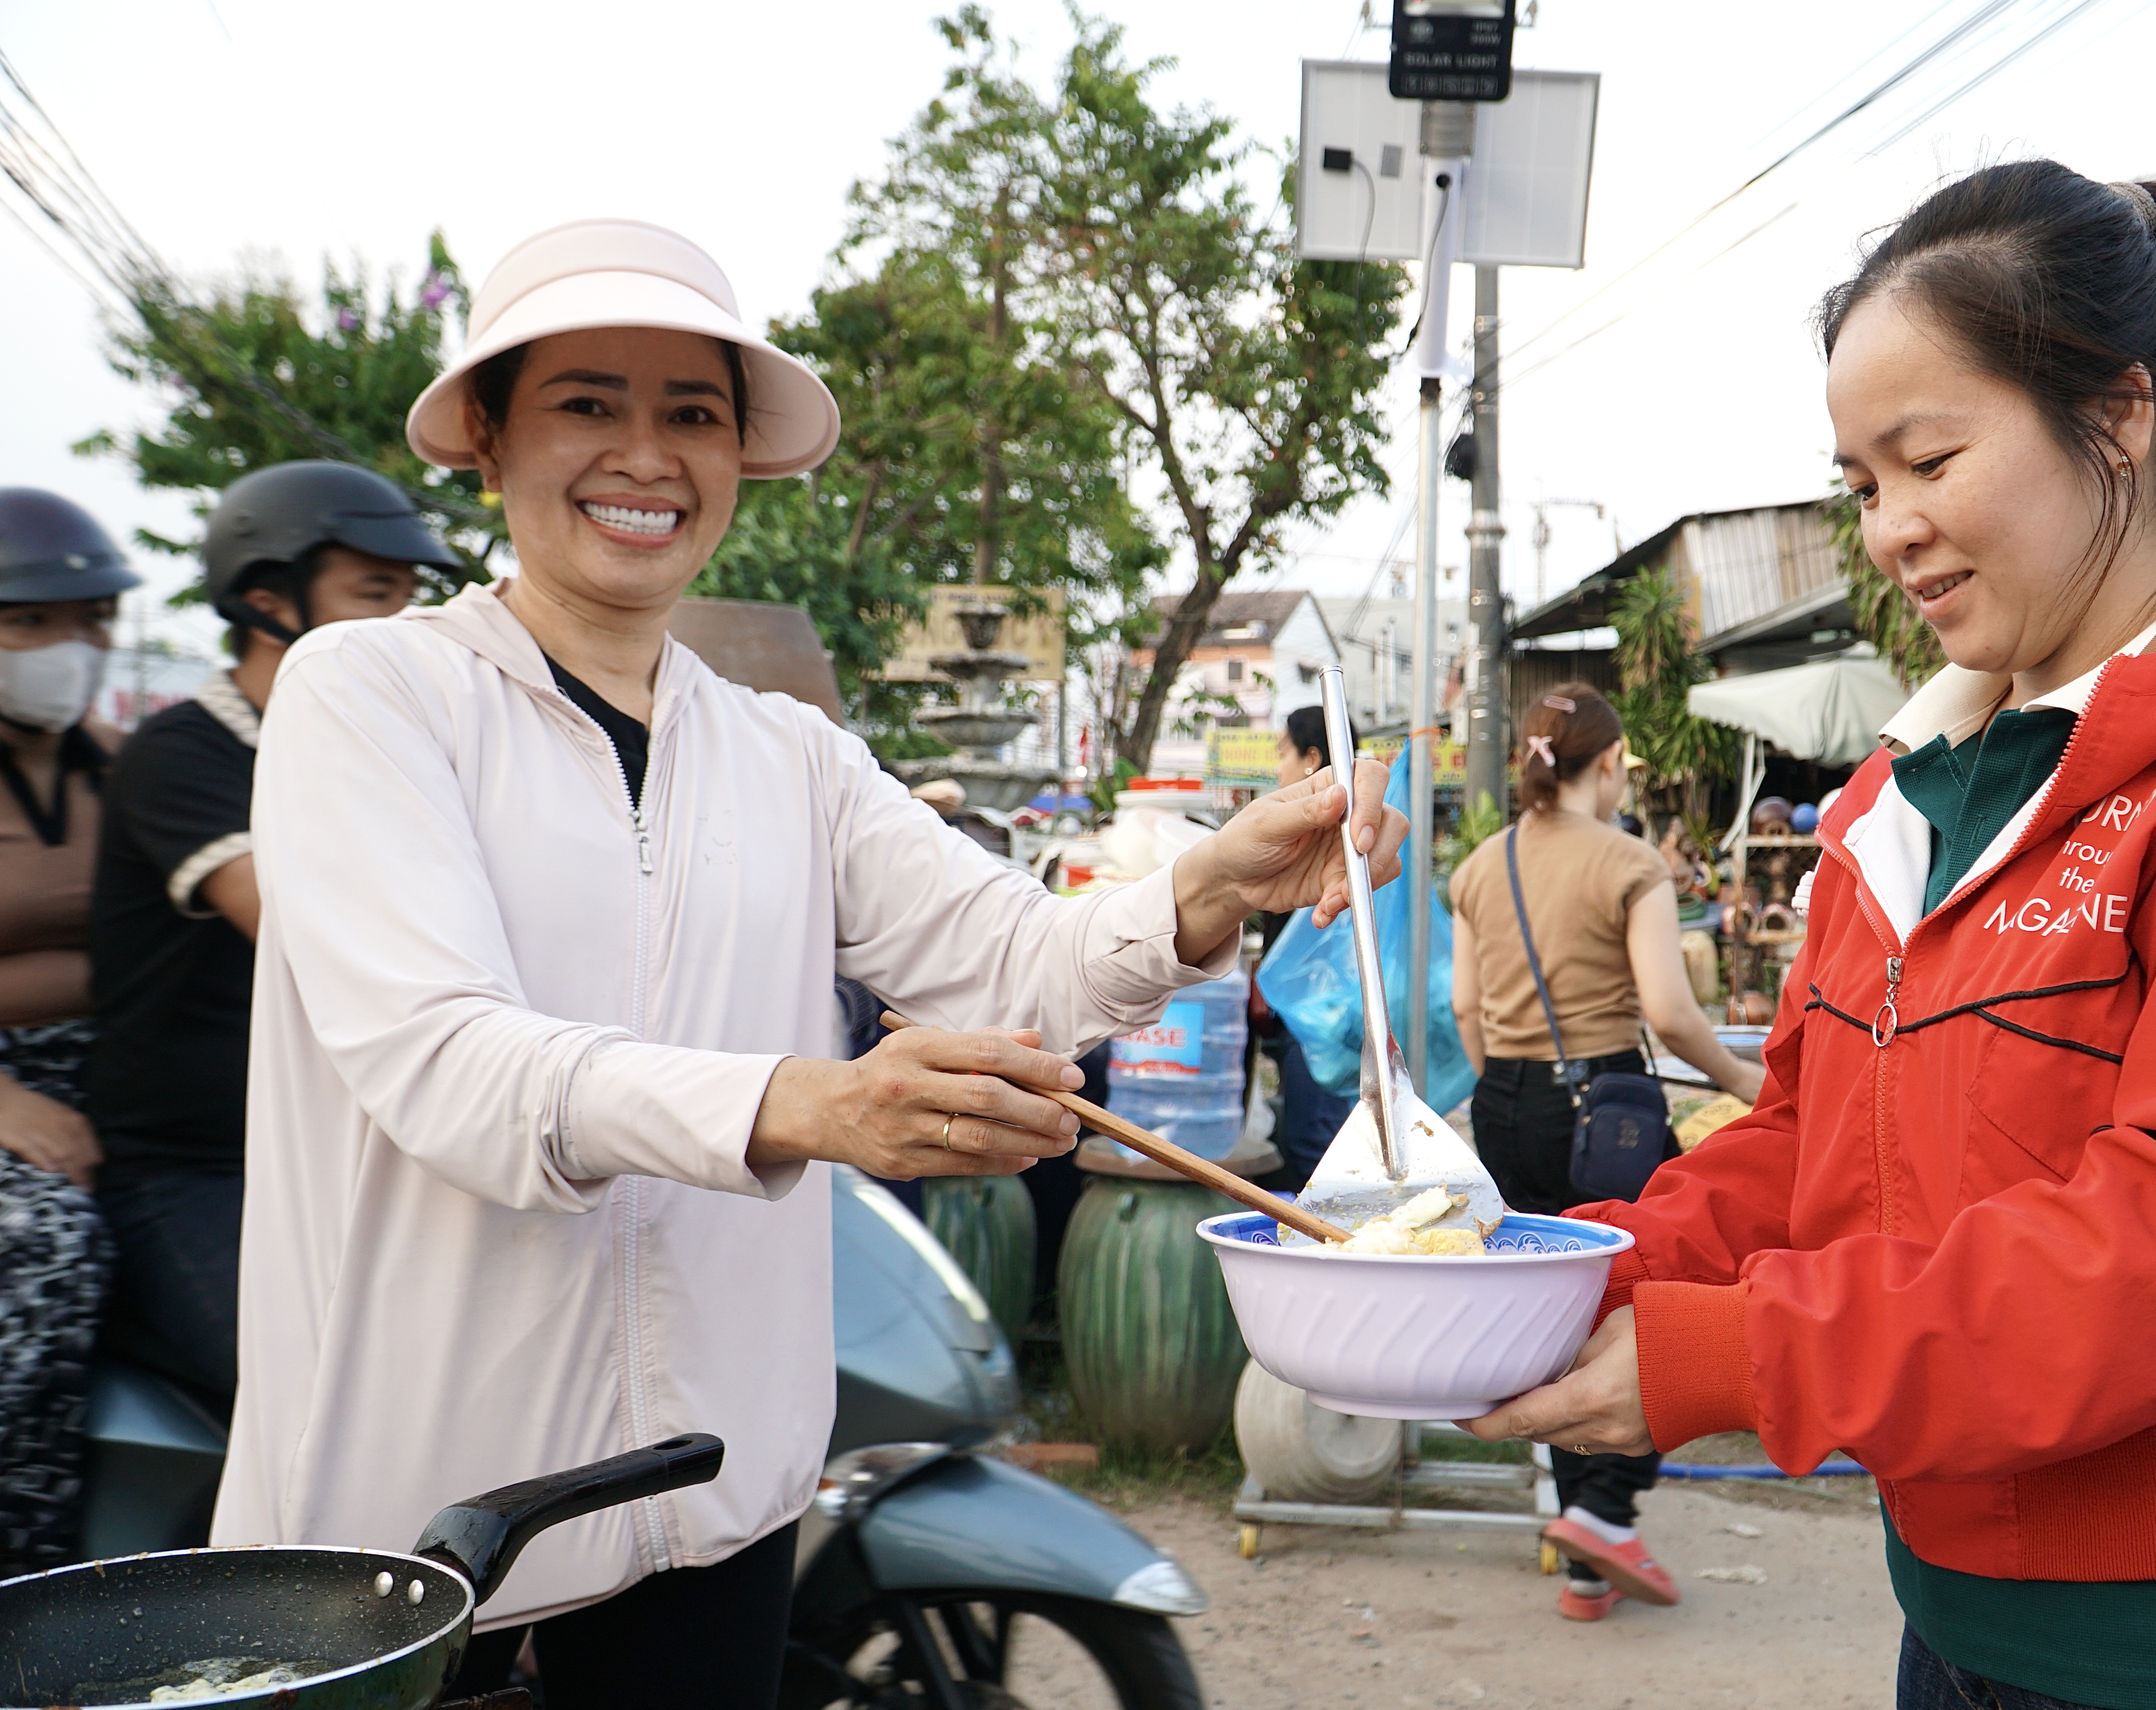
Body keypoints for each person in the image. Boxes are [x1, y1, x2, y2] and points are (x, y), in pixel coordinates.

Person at [210, 219, 1406, 1710]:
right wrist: (811, 1105)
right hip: (427, 1548)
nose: (644, 455)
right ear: (490, 439)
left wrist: (1200, 888)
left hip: (714, 1516)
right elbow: (449, 1064)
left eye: (690, 414)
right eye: (588, 403)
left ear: (737, 460)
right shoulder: (371, 695)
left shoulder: (786, 754)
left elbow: (1012, 963)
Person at [1466, 163, 2156, 1710]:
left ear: (2119, 419)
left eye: (1929, 459)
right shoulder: (1909, 799)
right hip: (1966, 1631)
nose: (1894, 531)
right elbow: (1816, 1150)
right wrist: (1558, 1276)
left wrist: (1745, 1357)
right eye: (1861, 484)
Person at [86, 460, 459, 1411]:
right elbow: (308, 928)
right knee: (331, 1406)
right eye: (377, 593)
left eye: (415, 595)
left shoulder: (408, 753)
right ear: (266, 600)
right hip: (200, 1172)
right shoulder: (186, 754)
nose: (409, 622)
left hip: (370, 1162)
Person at [1445, 683, 1762, 1623]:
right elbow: (1668, 1010)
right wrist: (1745, 1084)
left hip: (1501, 1102)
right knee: (1662, 1292)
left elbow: (1464, 1006)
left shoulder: (1477, 866)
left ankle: (1583, 1538)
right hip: (1609, 1112)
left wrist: (1510, 1085)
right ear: (1613, 761)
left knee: (1543, 1322)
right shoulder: (1630, 862)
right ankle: (1609, 1515)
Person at [0, 487, 140, 1567]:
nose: (70, 646)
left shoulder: (124, 768)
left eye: (90, 619)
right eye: (29, 623)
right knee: (46, 1242)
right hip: (10, 1086)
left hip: (121, 1064)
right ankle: (27, 1561)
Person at [1258, 701, 1358, 1190]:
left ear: (1312, 758)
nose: (1278, 768)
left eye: (1284, 753)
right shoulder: (1296, 833)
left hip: (1323, 1018)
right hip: (1304, 1016)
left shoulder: (1341, 839)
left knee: (1312, 1145)